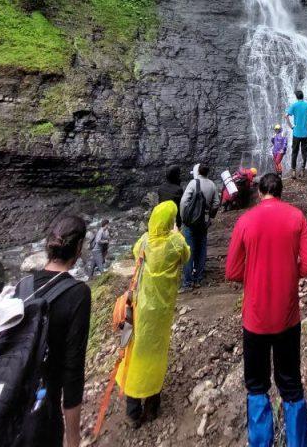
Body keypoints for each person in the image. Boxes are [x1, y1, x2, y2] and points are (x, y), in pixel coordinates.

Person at [225, 172, 307, 447]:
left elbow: (231, 271)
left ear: (258, 191)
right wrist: (291, 273)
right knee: (290, 383)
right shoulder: (296, 216)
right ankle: (298, 442)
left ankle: (261, 442)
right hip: (288, 317)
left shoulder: (245, 220)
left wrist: (252, 275)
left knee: (256, 384)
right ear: (280, 192)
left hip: (255, 319)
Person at [116, 201, 190, 428]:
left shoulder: (145, 241)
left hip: (141, 308)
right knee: (157, 353)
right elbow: (186, 256)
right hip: (162, 310)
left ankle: (132, 410)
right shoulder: (176, 242)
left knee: (135, 351)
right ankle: (152, 405)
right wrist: (176, 233)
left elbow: (136, 251)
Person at [33, 214, 91, 447]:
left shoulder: (19, 288)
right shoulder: (78, 294)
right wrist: (73, 439)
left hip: (2, 408)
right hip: (43, 411)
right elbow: (72, 371)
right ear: (78, 248)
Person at [180, 163, 219, 289]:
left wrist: (184, 218)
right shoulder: (212, 185)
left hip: (190, 222)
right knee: (201, 249)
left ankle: (187, 282)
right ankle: (199, 278)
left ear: (198, 172)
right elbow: (216, 203)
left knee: (189, 250)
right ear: (208, 172)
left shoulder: (193, 183)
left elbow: (184, 202)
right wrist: (210, 216)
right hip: (203, 222)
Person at [285, 89, 307, 179]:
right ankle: (302, 170)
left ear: (296, 97)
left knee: (294, 152)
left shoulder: (294, 105)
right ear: (303, 96)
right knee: (304, 152)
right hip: (306, 134)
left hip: (296, 133)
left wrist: (291, 127)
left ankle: (293, 171)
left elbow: (286, 116)